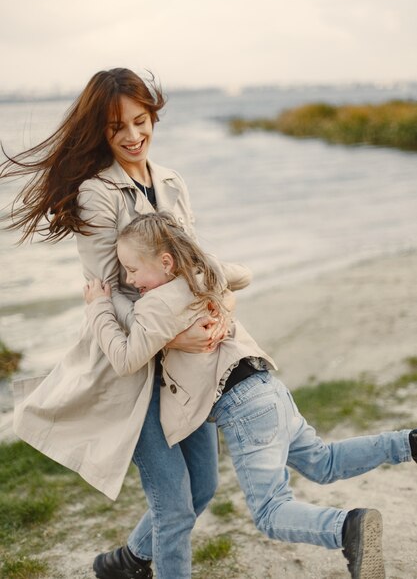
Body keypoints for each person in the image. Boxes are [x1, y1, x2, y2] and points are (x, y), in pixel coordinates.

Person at [2, 68, 251, 579]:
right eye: (119, 128)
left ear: (153, 115)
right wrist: (171, 331)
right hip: (130, 368)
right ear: (101, 131)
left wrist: (218, 310)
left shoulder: (173, 183)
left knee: (203, 487)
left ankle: (128, 561)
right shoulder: (97, 194)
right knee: (175, 507)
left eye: (141, 121)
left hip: (185, 366)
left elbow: (193, 265)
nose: (134, 136)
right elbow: (104, 290)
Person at [84, 211, 417, 579]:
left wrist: (99, 307)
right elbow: (242, 273)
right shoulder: (200, 278)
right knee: (324, 461)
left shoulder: (154, 304)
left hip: (243, 410)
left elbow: (126, 358)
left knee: (271, 511)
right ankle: (408, 443)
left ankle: (346, 527)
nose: (129, 280)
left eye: (132, 269)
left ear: (165, 262)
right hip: (268, 389)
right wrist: (209, 280)